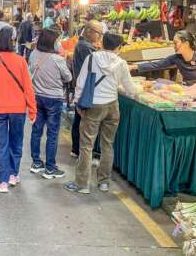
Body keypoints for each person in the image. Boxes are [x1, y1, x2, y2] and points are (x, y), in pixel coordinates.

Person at [64, 33, 136, 194]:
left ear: (102, 43)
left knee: (87, 145)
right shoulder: (121, 63)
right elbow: (131, 89)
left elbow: (81, 82)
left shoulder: (91, 59)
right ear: (118, 47)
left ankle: (82, 184)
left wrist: (77, 103)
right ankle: (104, 182)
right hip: (112, 106)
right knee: (107, 144)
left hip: (93, 106)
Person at [0, 27, 37, 193]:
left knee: (0, 144)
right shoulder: (20, 61)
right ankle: (13, 174)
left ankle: (1, 181)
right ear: (13, 41)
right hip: (18, 109)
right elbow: (28, 87)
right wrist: (33, 110)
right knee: (16, 141)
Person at [28, 28, 73, 179]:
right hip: (53, 99)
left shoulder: (34, 54)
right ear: (52, 42)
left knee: (36, 131)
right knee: (52, 134)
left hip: (36, 96)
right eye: (57, 41)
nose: (59, 43)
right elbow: (68, 77)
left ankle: (36, 163)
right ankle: (50, 168)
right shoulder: (57, 59)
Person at [131, 30, 196, 90]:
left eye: (175, 43)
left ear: (186, 43)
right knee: (158, 82)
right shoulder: (176, 58)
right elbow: (157, 64)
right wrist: (133, 67)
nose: (173, 46)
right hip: (188, 89)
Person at [71, 20, 104, 158]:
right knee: (83, 121)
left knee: (79, 119)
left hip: (82, 86)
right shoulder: (85, 47)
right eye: (99, 34)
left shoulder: (83, 44)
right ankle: (79, 150)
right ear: (90, 31)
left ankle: (76, 149)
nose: (100, 37)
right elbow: (98, 64)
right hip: (85, 88)